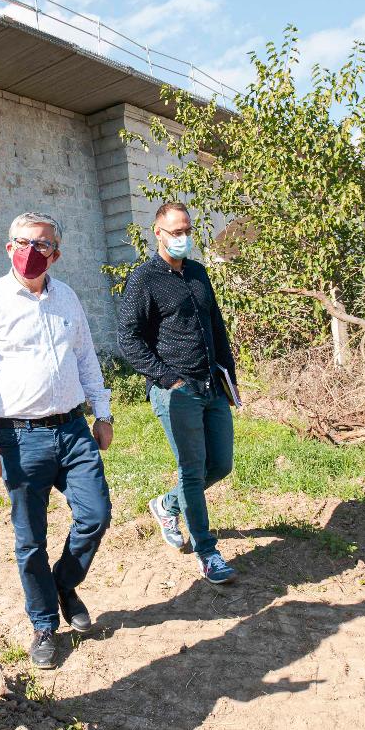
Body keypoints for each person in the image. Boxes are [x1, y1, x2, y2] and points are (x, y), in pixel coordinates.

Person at [0, 212, 114, 670]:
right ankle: (44, 624)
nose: (30, 251)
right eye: (22, 242)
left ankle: (64, 583)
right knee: (30, 541)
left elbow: (85, 358)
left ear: (56, 254)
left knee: (95, 515)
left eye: (41, 245)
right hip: (18, 438)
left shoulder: (66, 298)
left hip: (71, 429)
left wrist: (101, 413)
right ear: (8, 248)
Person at [117, 201, 239, 585]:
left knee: (219, 465)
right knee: (191, 470)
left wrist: (230, 377)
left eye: (187, 231)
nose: (183, 238)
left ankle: (166, 505)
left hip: (211, 385)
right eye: (175, 232)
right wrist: (167, 378)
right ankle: (207, 552)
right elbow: (128, 339)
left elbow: (215, 327)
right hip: (176, 391)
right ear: (158, 232)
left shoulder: (199, 274)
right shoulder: (144, 280)